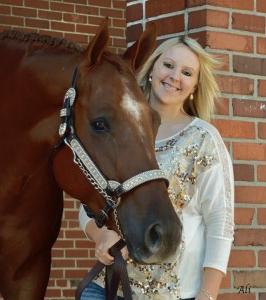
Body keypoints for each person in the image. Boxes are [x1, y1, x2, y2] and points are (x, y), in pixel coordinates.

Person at [79, 36, 235, 300]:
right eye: (168, 65)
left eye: (186, 72)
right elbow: (89, 202)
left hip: (175, 293)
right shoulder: (120, 128)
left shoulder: (204, 139)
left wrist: (208, 295)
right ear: (152, 69)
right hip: (109, 287)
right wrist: (100, 235)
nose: (175, 76)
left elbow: (221, 222)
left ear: (195, 85)